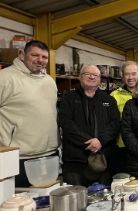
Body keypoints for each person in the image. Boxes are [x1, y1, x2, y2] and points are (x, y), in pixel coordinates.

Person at [0, 40, 60, 187]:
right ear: (22, 55)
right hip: (18, 157)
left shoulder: (49, 81)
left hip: (49, 154)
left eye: (44, 57)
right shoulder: (5, 78)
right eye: (35, 55)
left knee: (47, 204)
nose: (40, 60)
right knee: (17, 205)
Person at [59, 65, 120, 186]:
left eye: (95, 75)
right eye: (88, 74)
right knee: (76, 199)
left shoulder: (108, 100)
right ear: (80, 77)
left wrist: (100, 141)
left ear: (99, 79)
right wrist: (88, 141)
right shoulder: (68, 98)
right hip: (75, 160)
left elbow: (115, 124)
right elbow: (66, 123)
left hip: (102, 160)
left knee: (104, 199)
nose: (92, 76)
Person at [109, 61, 138, 175]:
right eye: (127, 74)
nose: (130, 77)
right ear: (122, 76)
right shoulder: (114, 96)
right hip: (122, 147)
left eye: (133, 73)